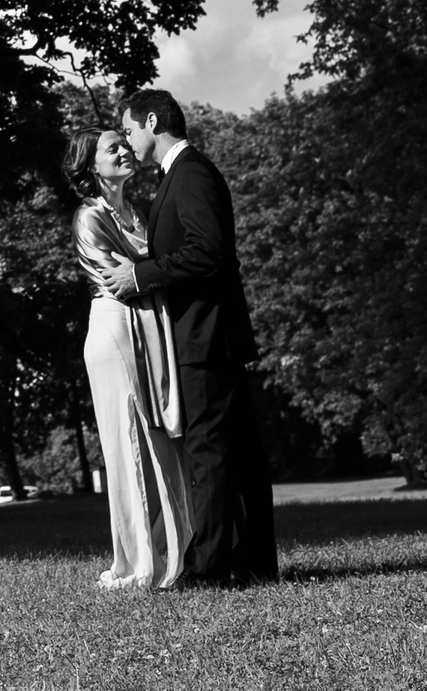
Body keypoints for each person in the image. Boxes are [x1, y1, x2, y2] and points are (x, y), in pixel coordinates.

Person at [93, 88, 279, 586]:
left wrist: (142, 275)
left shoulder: (191, 173)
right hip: (207, 333)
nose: (129, 142)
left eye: (130, 130)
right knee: (237, 456)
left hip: (205, 334)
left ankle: (208, 569)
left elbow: (208, 251)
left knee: (210, 452)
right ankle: (253, 562)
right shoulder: (181, 175)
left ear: (153, 121)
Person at [68, 125, 189, 590]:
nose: (123, 149)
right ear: (90, 165)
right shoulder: (89, 217)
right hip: (116, 328)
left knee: (161, 439)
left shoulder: (138, 212)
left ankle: (171, 550)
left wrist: (150, 273)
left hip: (148, 323)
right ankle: (139, 564)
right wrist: (159, 273)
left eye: (124, 141)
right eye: (110, 147)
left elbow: (141, 272)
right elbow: (115, 279)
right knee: (130, 445)